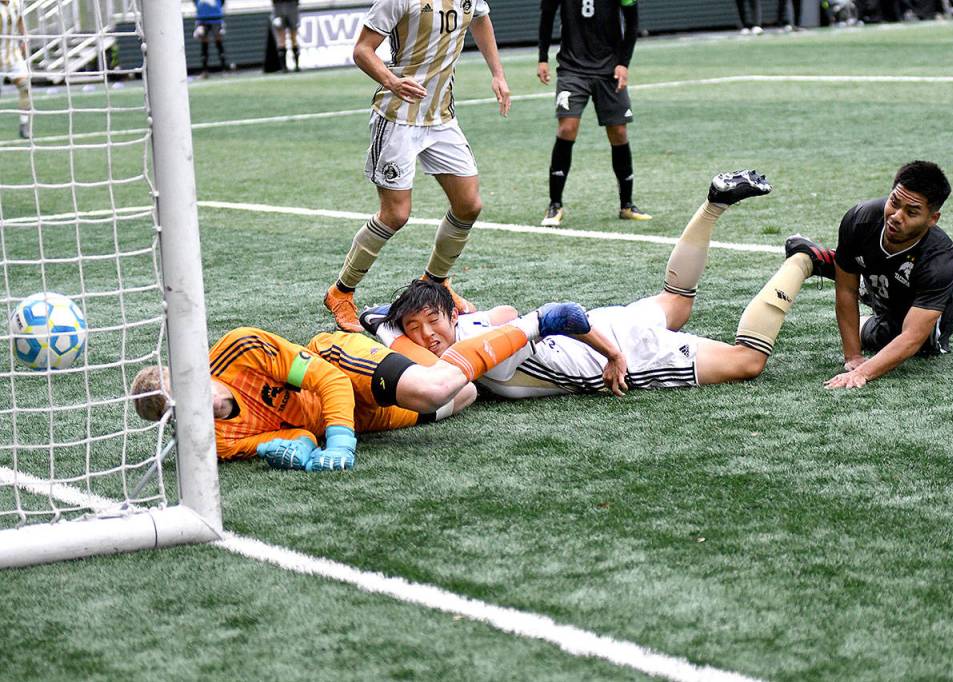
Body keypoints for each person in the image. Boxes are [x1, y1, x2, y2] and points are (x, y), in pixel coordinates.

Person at [363, 170, 827, 397]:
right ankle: (715, 202)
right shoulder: (464, 330)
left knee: (747, 363)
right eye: (414, 328)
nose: (425, 336)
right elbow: (379, 321)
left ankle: (803, 261)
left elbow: (560, 314)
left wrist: (615, 356)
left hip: (617, 350)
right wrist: (385, 321)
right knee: (676, 303)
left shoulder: (471, 349)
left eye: (430, 322)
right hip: (608, 324)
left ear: (452, 314)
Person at [130, 305, 589, 471]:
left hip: (338, 365)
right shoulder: (214, 440)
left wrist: (340, 441)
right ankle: (394, 328)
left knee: (432, 388)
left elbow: (326, 379)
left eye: (188, 391)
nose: (198, 407)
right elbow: (298, 438)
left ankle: (536, 322)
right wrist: (286, 450)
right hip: (364, 421)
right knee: (463, 394)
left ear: (189, 372)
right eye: (182, 412)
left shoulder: (240, 349)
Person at [323, 0, 511, 332]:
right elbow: (362, 51)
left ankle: (437, 284)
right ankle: (341, 292)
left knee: (468, 204)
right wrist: (391, 80)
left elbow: (480, 19)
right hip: (398, 116)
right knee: (395, 215)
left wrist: (497, 74)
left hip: (441, 117)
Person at [783, 160, 953, 389]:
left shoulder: (940, 257)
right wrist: (853, 357)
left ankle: (826, 260)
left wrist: (863, 373)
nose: (897, 216)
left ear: (932, 219)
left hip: (919, 315)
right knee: (866, 276)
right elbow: (846, 289)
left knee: (902, 340)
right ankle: (835, 261)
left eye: (911, 212)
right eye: (894, 202)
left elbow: (912, 337)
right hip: (880, 282)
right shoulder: (860, 219)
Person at [537, 0, 650, 227]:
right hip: (572, 68)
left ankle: (626, 205)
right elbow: (547, 15)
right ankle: (555, 205)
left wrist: (623, 63)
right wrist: (542, 58)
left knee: (618, 131)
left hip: (609, 69)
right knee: (567, 128)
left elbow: (632, 19)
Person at [0, 0, 31, 139]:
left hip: (14, 55)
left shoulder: (17, 3)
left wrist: (24, 38)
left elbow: (20, 20)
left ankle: (24, 125)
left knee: (25, 87)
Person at [193, 0, 232, 78]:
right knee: (204, 44)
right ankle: (205, 71)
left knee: (219, 42)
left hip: (216, 18)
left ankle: (224, 70)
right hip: (202, 19)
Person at [270, 0, 300, 72]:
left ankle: (295, 66)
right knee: (282, 37)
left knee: (293, 36)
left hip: (290, 5)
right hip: (279, 6)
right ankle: (285, 67)